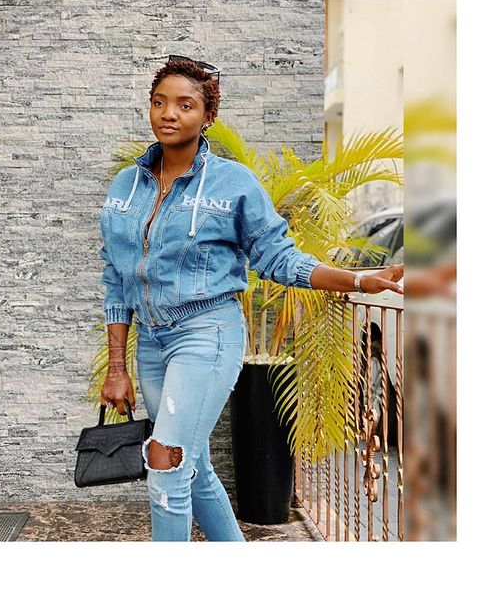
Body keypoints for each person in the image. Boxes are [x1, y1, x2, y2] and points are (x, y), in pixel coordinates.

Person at [98, 56, 403, 541]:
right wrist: (116, 365)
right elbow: (116, 277)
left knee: (167, 466)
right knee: (191, 466)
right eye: (159, 102)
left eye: (185, 105)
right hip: (152, 345)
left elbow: (278, 257)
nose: (169, 113)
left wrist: (358, 281)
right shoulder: (126, 187)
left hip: (207, 335)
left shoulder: (233, 184)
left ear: (208, 116)